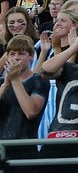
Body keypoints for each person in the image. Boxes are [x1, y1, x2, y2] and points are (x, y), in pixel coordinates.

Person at [0, 35, 48, 164]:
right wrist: (5, 85)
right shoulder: (2, 83)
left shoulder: (39, 81)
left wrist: (15, 80)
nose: (16, 58)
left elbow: (31, 112)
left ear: (31, 56)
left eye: (21, 54)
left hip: (24, 149)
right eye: (12, 54)